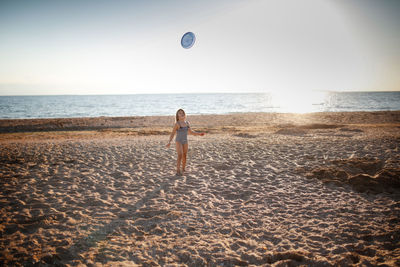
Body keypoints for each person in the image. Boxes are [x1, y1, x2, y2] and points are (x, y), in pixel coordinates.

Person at [166, 109, 205, 175]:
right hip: (179, 141)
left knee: (184, 155)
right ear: (177, 116)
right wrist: (169, 142)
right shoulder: (177, 124)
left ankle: (183, 169)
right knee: (180, 155)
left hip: (185, 141)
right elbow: (173, 133)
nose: (182, 114)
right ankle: (178, 171)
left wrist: (199, 134)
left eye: (183, 113)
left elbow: (191, 132)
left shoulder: (187, 123)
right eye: (180, 113)